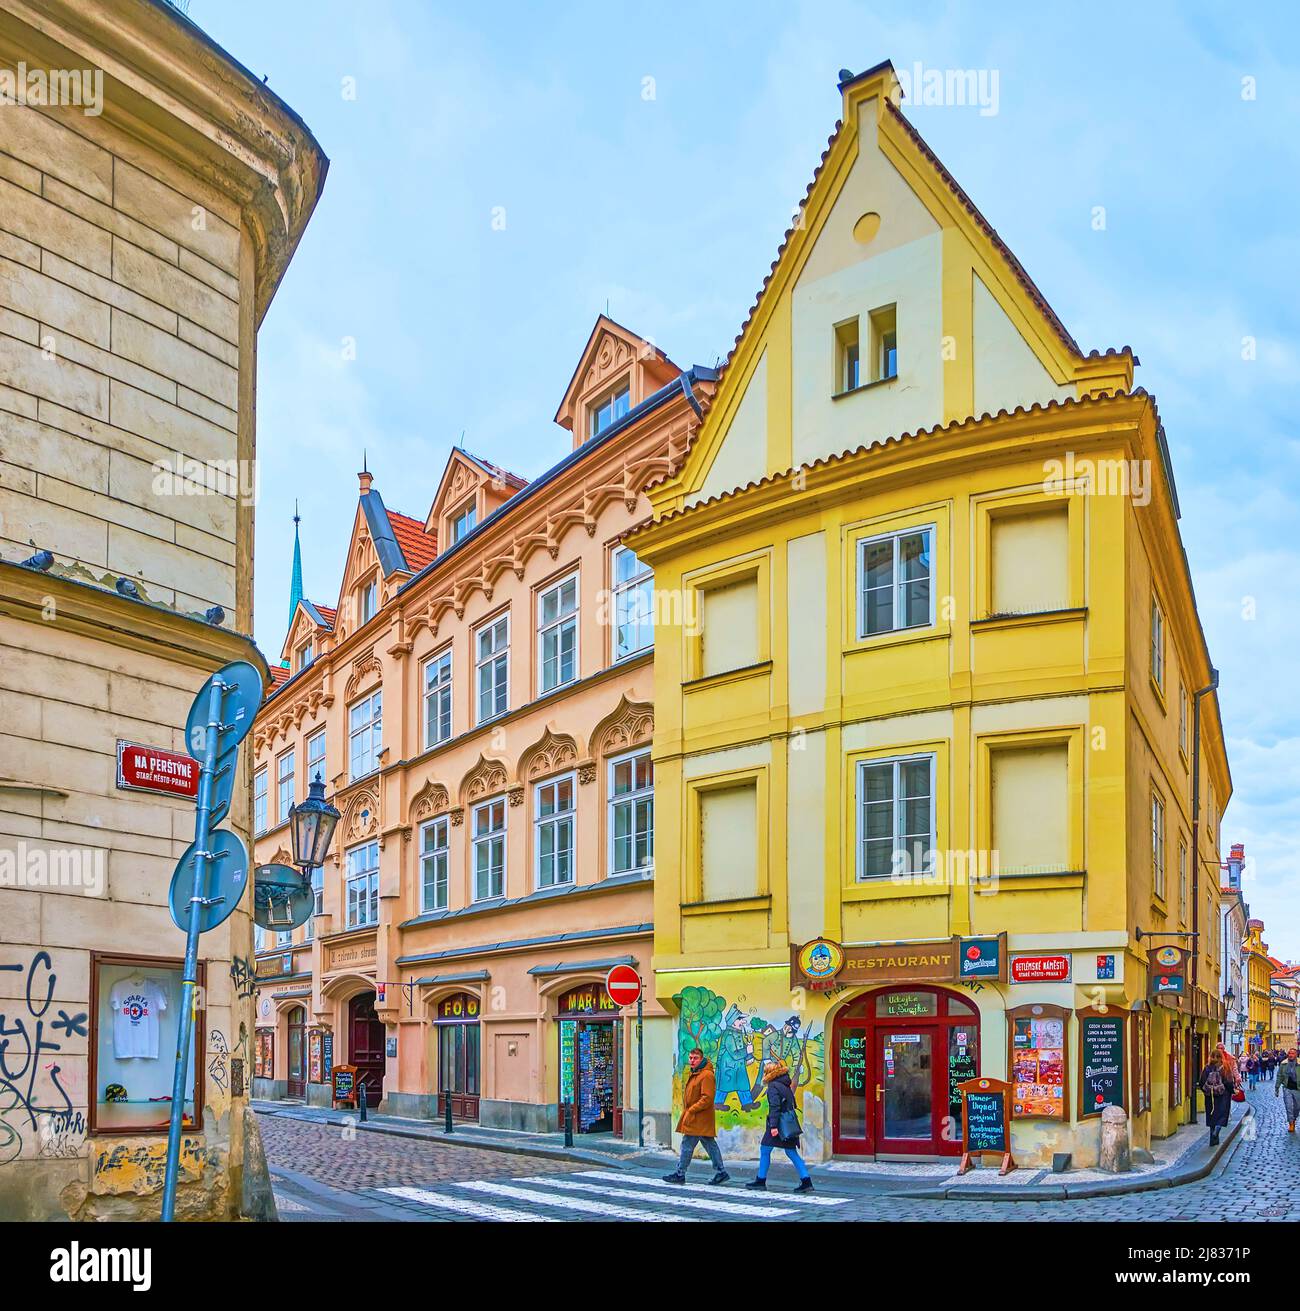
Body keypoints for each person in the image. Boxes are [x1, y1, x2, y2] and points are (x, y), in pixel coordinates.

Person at [663, 1047, 729, 1185]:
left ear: (701, 1059)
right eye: (691, 1058)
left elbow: (707, 1098)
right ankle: (721, 1172)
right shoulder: (697, 1073)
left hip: (698, 1117)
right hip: (698, 1117)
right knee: (710, 1145)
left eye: (695, 1058)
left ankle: (680, 1174)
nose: (692, 1061)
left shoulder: (706, 1075)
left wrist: (692, 1110)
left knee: (687, 1144)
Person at [745, 1059, 813, 1192]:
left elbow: (775, 1107)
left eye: (765, 1071)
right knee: (791, 1152)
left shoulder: (773, 1087)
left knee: (765, 1149)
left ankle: (761, 1180)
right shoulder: (785, 1084)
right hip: (788, 1124)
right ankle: (806, 1180)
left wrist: (774, 1126)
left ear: (769, 1073)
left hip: (778, 1125)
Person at [1199, 1047, 1236, 1146]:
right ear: (1221, 1057)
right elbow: (1229, 1081)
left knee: (1212, 1116)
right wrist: (1232, 1091)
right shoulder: (1225, 1067)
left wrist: (1206, 1091)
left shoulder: (1207, 1067)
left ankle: (1213, 1140)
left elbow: (1202, 1081)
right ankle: (1216, 1132)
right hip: (1223, 1096)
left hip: (1210, 1096)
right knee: (1222, 1116)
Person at [1277, 1049, 1300, 1133]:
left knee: (1297, 1107)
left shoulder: (1299, 1063)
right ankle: (1291, 1123)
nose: (1290, 1055)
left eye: (1292, 1053)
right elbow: (1279, 1076)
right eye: (1289, 1053)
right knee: (1288, 1106)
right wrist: (1277, 1088)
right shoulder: (1283, 1064)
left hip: (1298, 1089)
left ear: (1296, 1054)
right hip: (1287, 1088)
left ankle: (1294, 1118)